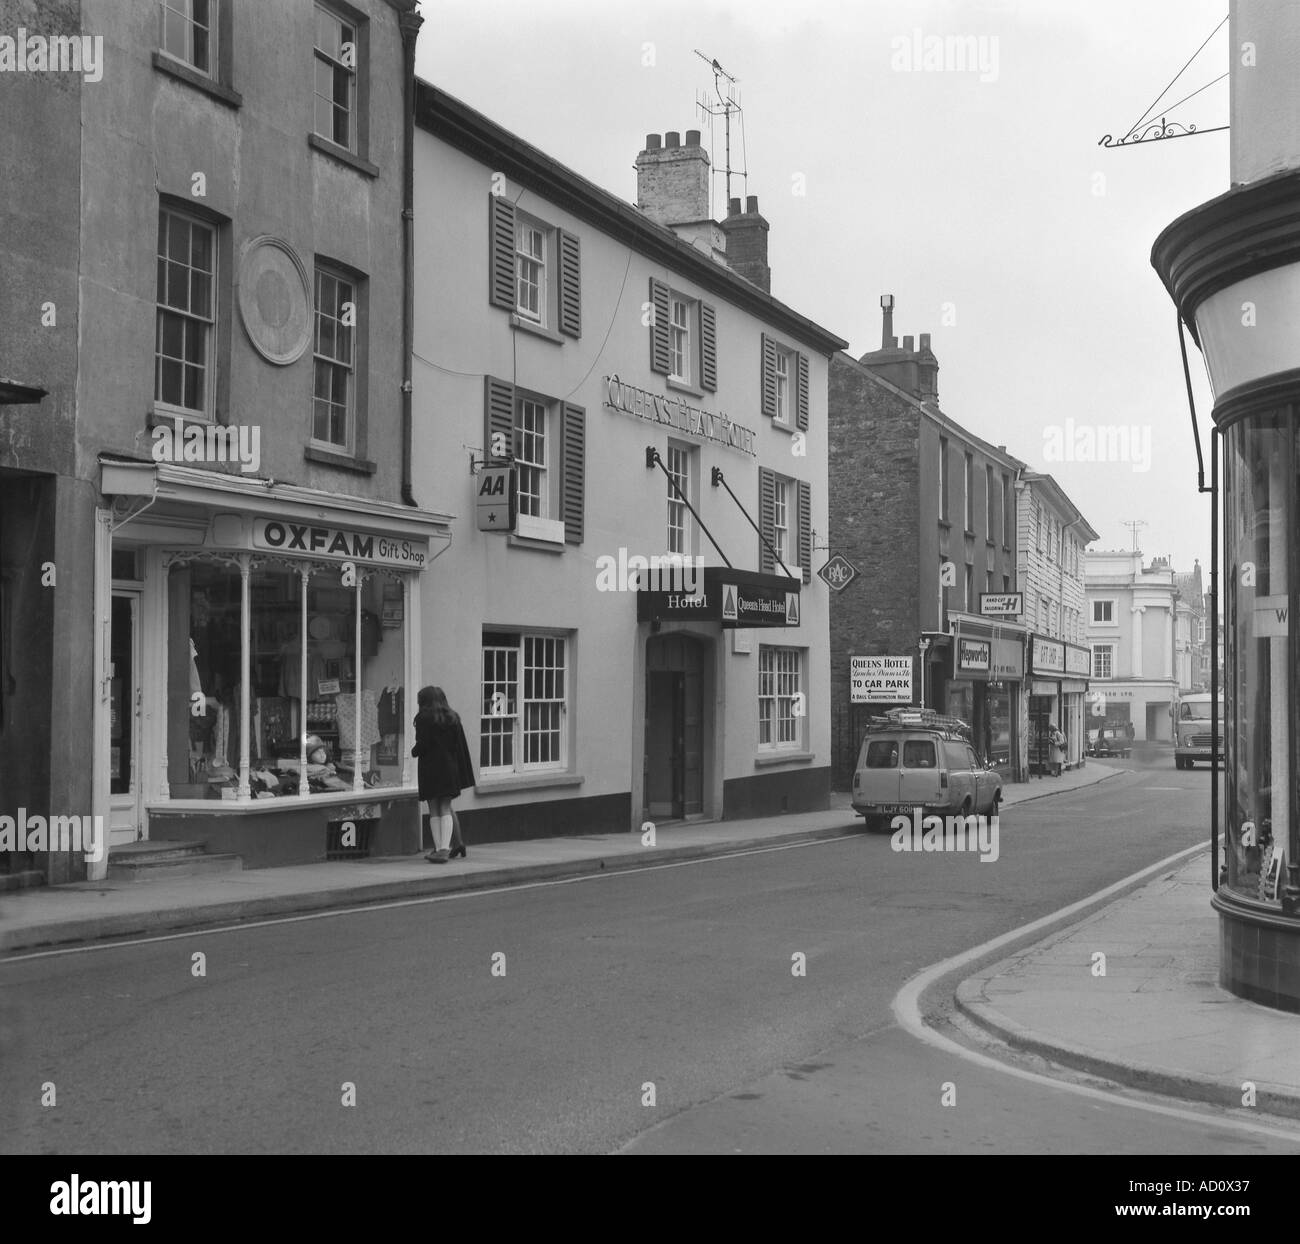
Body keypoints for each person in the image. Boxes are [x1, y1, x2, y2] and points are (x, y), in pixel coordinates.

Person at [411, 685, 475, 863]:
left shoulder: (424, 718)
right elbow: (458, 745)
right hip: (450, 768)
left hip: (431, 768)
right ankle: (445, 850)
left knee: (433, 809)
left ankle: (439, 849)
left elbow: (423, 745)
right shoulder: (453, 717)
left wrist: (414, 752)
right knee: (445, 807)